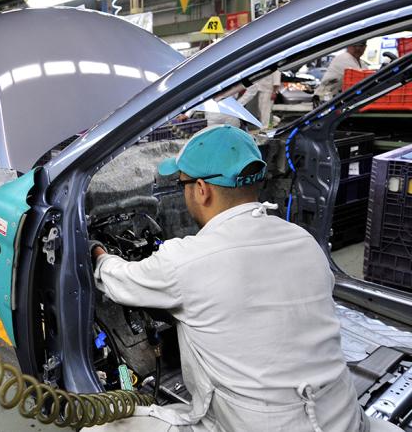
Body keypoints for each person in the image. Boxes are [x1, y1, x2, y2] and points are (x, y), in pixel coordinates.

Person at [87, 125, 365, 432]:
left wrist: (98, 252)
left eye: (183, 185)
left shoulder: (188, 260)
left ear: (202, 189)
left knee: (100, 428)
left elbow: (118, 280)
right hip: (343, 417)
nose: (185, 193)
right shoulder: (302, 240)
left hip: (258, 425)